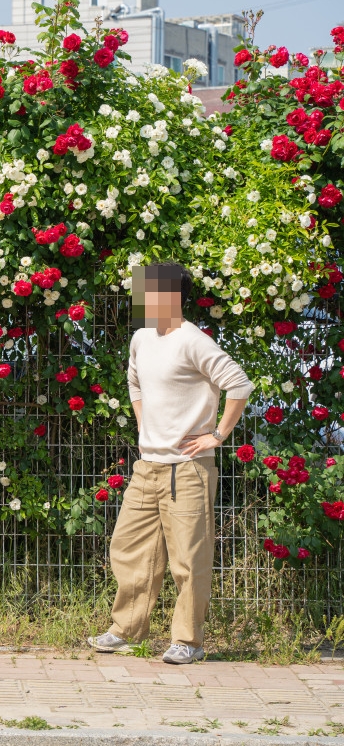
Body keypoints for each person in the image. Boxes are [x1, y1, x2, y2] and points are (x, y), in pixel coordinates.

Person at [88, 263, 253, 664]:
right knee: (128, 548)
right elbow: (134, 382)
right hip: (148, 466)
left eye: (150, 292)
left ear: (172, 297)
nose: (142, 300)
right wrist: (144, 425)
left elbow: (240, 384)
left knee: (188, 559)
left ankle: (189, 642)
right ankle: (127, 631)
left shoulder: (193, 341)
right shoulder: (142, 338)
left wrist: (216, 436)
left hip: (189, 469)